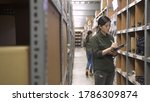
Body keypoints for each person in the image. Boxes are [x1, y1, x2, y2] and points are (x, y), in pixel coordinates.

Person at [89, 15, 118, 85]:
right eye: (106, 26)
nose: (108, 28)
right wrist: (109, 49)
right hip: (100, 70)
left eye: (109, 25)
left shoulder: (111, 38)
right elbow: (97, 53)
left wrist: (114, 52)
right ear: (100, 26)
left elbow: (114, 53)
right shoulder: (94, 38)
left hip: (110, 69)